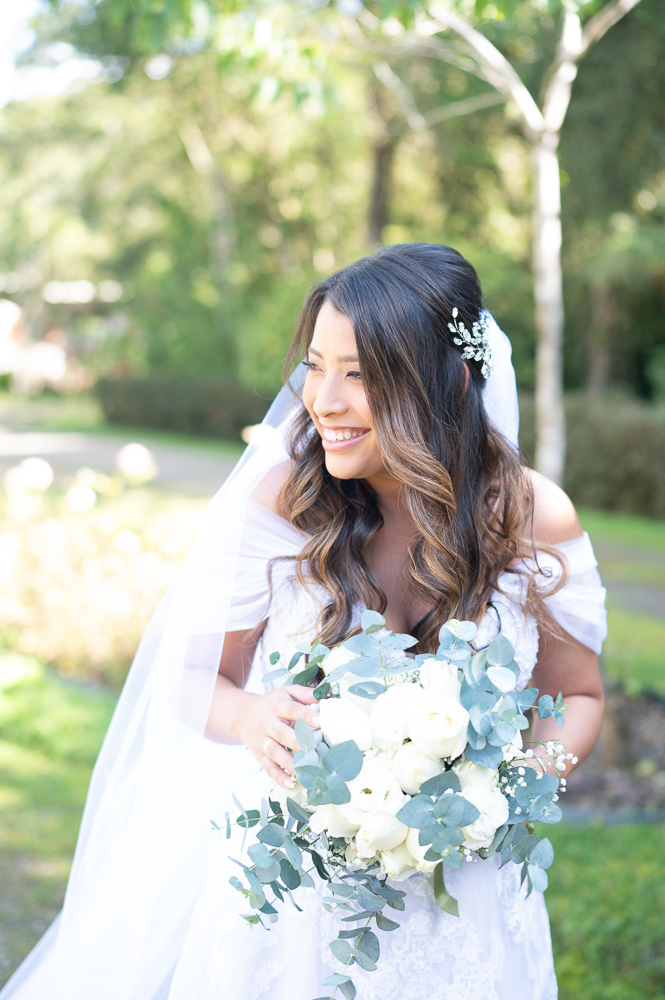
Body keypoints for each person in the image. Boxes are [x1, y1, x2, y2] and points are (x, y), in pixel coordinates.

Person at [1, 243, 606, 1000]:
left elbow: (578, 695)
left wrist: (511, 785)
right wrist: (251, 717)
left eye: (361, 374)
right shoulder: (285, 501)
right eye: (316, 367)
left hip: (468, 903)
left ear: (450, 380)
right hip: (289, 911)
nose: (323, 400)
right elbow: (189, 677)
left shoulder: (529, 516)